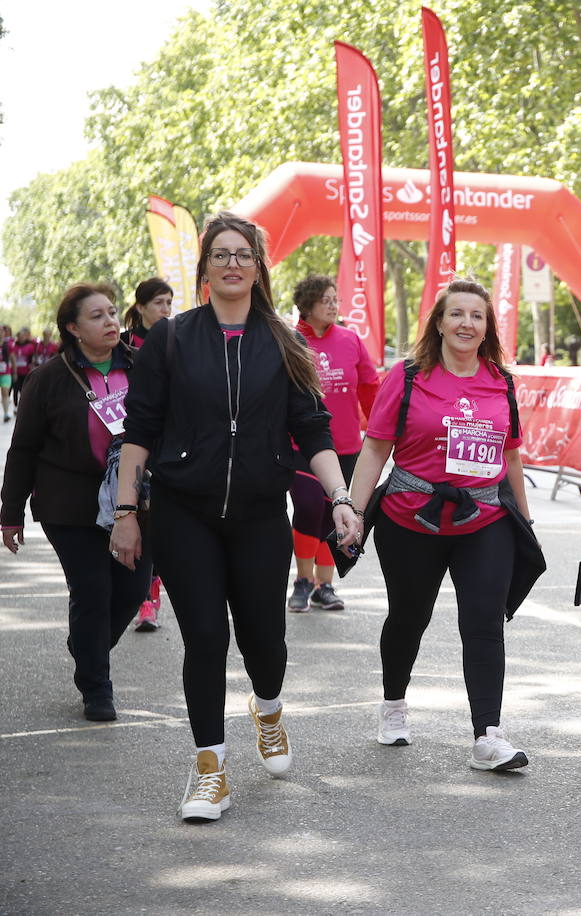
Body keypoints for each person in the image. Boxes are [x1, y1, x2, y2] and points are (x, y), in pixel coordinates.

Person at [112, 212, 361, 823]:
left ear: (257, 267)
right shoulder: (170, 340)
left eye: (242, 254)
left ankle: (268, 709)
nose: (231, 264)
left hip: (256, 516)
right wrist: (125, 509)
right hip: (182, 513)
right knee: (204, 638)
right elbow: (139, 431)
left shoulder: (284, 340)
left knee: (264, 642)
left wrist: (342, 498)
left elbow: (313, 429)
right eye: (219, 255)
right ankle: (209, 771)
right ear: (204, 268)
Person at [349, 278, 537, 771]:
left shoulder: (502, 381)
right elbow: (375, 448)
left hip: (485, 519)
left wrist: (525, 518)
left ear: (486, 326)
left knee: (484, 622)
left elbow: (511, 455)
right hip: (410, 519)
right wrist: (350, 508)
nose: (466, 323)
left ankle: (488, 735)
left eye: (477, 315)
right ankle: (393, 703)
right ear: (438, 322)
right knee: (409, 617)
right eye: (457, 313)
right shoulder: (409, 377)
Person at [1, 285, 152, 721]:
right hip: (70, 505)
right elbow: (23, 450)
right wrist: (10, 514)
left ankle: (87, 646)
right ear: (72, 328)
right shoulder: (47, 379)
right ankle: (96, 687)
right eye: (96, 316)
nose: (109, 322)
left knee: (132, 589)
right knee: (92, 591)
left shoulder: (145, 368)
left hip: (138, 502)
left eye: (111, 313)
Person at [286, 275, 378, 613]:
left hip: (346, 444)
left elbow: (370, 387)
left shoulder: (351, 340)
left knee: (330, 514)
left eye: (335, 298)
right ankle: (302, 579)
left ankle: (325, 585)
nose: (333, 304)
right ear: (307, 304)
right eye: (325, 299)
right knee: (309, 506)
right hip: (301, 444)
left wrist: (386, 433)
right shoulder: (291, 341)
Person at [121, 278, 175, 632]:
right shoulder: (122, 345)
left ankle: (148, 601)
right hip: (126, 446)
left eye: (170, 302)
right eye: (158, 303)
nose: (165, 310)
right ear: (140, 307)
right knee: (131, 521)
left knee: (154, 525)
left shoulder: (178, 340)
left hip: (165, 446)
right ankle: (128, 593)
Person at [11, 327, 36, 405]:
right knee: (15, 389)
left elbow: (32, 358)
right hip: (16, 371)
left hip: (26, 372)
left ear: (25, 337)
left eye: (23, 337)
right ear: (17, 337)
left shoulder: (30, 346)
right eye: (19, 337)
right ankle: (15, 406)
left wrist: (32, 368)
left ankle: (23, 404)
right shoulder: (14, 346)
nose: (21, 338)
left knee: (24, 389)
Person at [0, 325, 14, 422]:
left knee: (5, 391)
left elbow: (13, 357)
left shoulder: (8, 344)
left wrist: (15, 371)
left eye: (2, 331)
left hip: (6, 372)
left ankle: (5, 414)